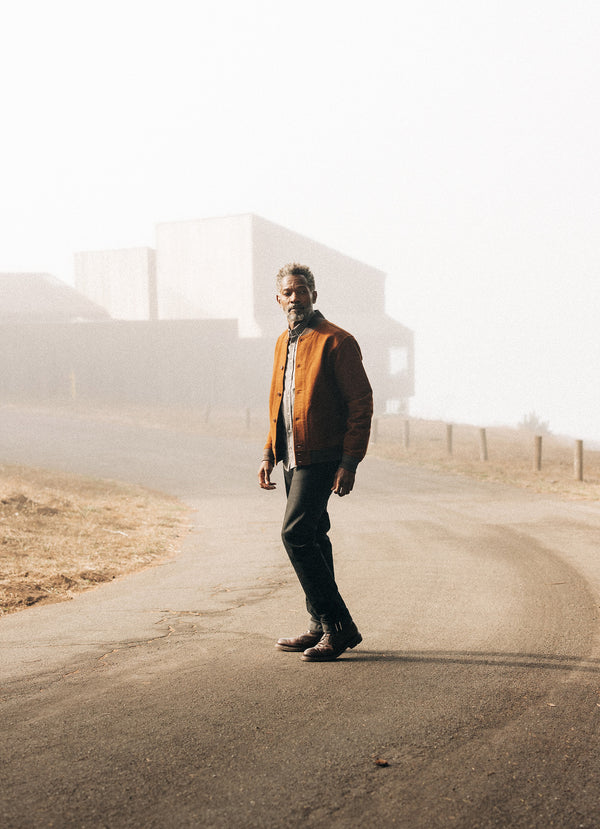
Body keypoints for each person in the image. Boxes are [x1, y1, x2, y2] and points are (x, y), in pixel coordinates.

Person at [258, 263, 373, 661]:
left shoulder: (338, 342)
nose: (295, 298)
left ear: (314, 294)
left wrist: (350, 462)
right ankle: (318, 624)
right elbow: (279, 403)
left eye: (302, 290)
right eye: (288, 293)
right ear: (278, 300)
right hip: (292, 456)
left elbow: (361, 405)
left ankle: (339, 626)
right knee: (315, 537)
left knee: (295, 534)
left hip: (322, 456)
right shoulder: (282, 343)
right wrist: (269, 453)